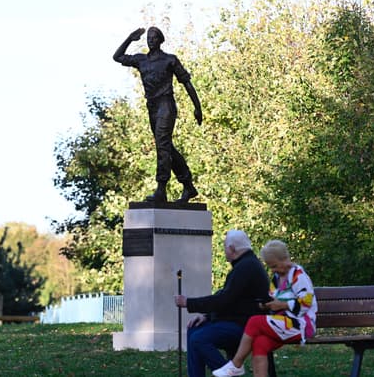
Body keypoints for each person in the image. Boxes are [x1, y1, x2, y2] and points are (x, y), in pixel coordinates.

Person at [113, 26, 203, 203]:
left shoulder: (170, 60)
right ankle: (188, 186)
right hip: (152, 107)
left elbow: (187, 83)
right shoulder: (141, 60)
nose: (150, 40)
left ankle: (161, 188)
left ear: (160, 40)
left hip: (166, 105)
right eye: (148, 37)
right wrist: (130, 38)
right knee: (166, 146)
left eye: (154, 37)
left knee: (162, 146)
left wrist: (197, 107)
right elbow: (117, 57)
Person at [213, 240, 317, 377]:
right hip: (283, 323)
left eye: (274, 266)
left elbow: (305, 304)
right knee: (260, 343)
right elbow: (272, 297)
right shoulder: (276, 277)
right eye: (270, 267)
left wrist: (282, 305)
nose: (273, 270)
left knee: (254, 322)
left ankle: (236, 364)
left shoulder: (299, 276)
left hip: (301, 325)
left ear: (284, 259)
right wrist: (266, 304)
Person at [174, 230, 271, 377]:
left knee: (198, 339)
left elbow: (223, 300)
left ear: (232, 249)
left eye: (225, 246)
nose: (224, 250)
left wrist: (188, 302)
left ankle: (229, 372)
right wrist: (206, 316)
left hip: (245, 327)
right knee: (194, 330)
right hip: (236, 321)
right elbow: (229, 299)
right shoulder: (245, 265)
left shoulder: (246, 268)